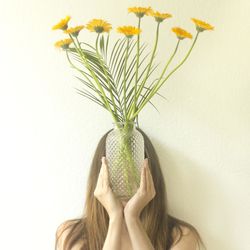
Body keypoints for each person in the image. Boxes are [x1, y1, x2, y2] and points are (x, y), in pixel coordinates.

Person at [55, 128, 206, 250]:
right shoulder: (71, 236)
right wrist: (115, 217)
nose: (125, 179)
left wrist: (132, 218)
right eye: (117, 171)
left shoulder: (180, 236)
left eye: (133, 171)